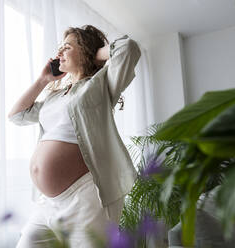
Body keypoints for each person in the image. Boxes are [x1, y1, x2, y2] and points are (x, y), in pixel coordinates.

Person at [8, 24, 141, 247]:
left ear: (86, 51)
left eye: (66, 47)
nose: (59, 52)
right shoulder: (55, 97)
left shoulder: (101, 85)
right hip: (48, 203)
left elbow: (129, 48)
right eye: (59, 47)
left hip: (85, 198)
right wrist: (43, 80)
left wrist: (96, 56)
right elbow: (17, 116)